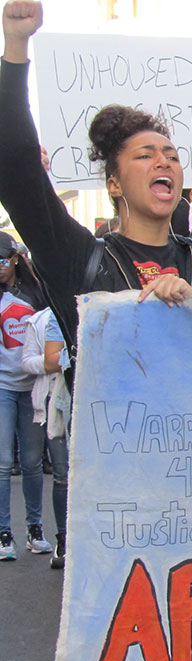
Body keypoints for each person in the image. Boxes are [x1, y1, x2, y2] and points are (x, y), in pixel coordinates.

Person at [0, 0, 192, 381]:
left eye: (171, 154)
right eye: (145, 155)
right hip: (113, 437)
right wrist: (15, 47)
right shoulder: (80, 258)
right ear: (114, 183)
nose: (164, 161)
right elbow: (16, 166)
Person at [0, 233, 50, 560]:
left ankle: (35, 529)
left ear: (16, 259)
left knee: (32, 463)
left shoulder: (34, 292)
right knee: (4, 462)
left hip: (32, 386)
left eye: (3, 261)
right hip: (3, 387)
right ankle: (5, 533)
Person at [20, 305, 68, 568]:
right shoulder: (45, 319)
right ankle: (63, 539)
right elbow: (33, 361)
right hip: (57, 401)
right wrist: (62, 360)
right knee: (61, 475)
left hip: (93, 397)